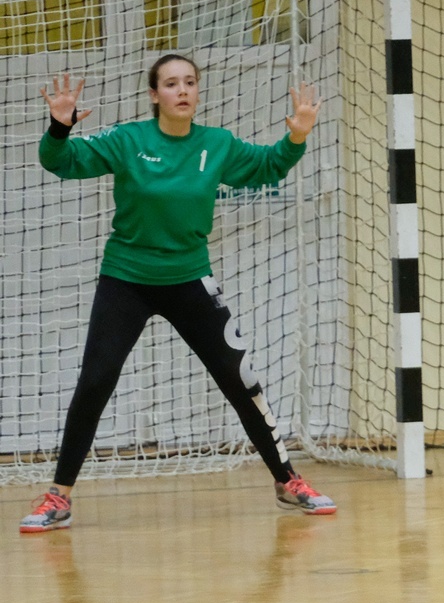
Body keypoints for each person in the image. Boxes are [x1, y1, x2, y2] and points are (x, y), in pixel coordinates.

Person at [20, 56, 336, 533]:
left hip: (189, 279)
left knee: (241, 381)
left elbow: (268, 168)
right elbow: (59, 161)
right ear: (154, 95)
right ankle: (58, 497)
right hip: (126, 279)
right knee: (96, 381)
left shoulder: (217, 143)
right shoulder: (128, 140)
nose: (182, 90)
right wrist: (59, 128)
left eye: (189, 82)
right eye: (171, 84)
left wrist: (297, 136)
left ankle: (287, 481)